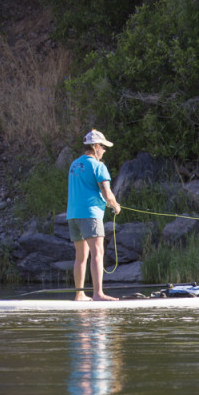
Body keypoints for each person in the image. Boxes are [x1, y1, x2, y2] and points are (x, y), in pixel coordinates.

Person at [66, 129, 122, 301]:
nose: (104, 150)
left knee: (80, 256)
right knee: (97, 252)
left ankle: (79, 294)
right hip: (90, 215)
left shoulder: (74, 164)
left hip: (73, 215)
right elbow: (107, 192)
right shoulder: (99, 166)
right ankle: (98, 294)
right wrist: (115, 205)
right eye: (103, 147)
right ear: (96, 146)